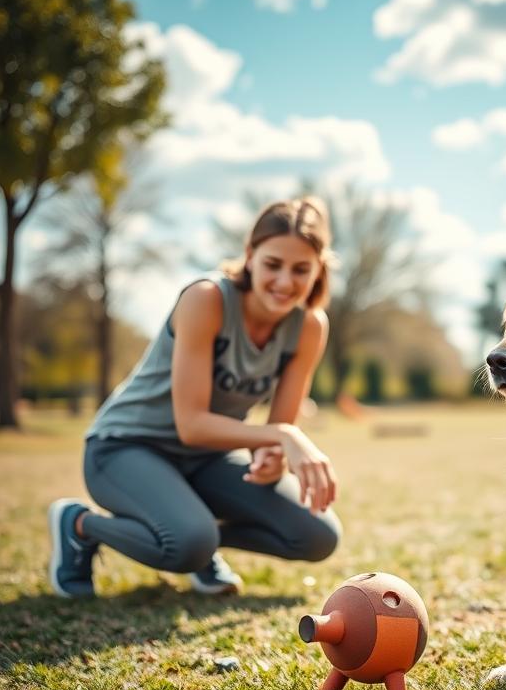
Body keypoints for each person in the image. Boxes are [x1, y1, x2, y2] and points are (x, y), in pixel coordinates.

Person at [48, 197, 342, 597]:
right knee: (188, 542)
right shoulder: (206, 299)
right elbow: (192, 424)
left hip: (206, 459)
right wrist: (285, 438)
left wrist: (271, 460)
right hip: (124, 448)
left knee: (316, 535)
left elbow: (273, 434)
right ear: (250, 255)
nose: (285, 282)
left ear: (318, 270)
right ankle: (80, 525)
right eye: (273, 264)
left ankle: (195, 530)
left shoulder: (309, 327)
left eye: (301, 269)